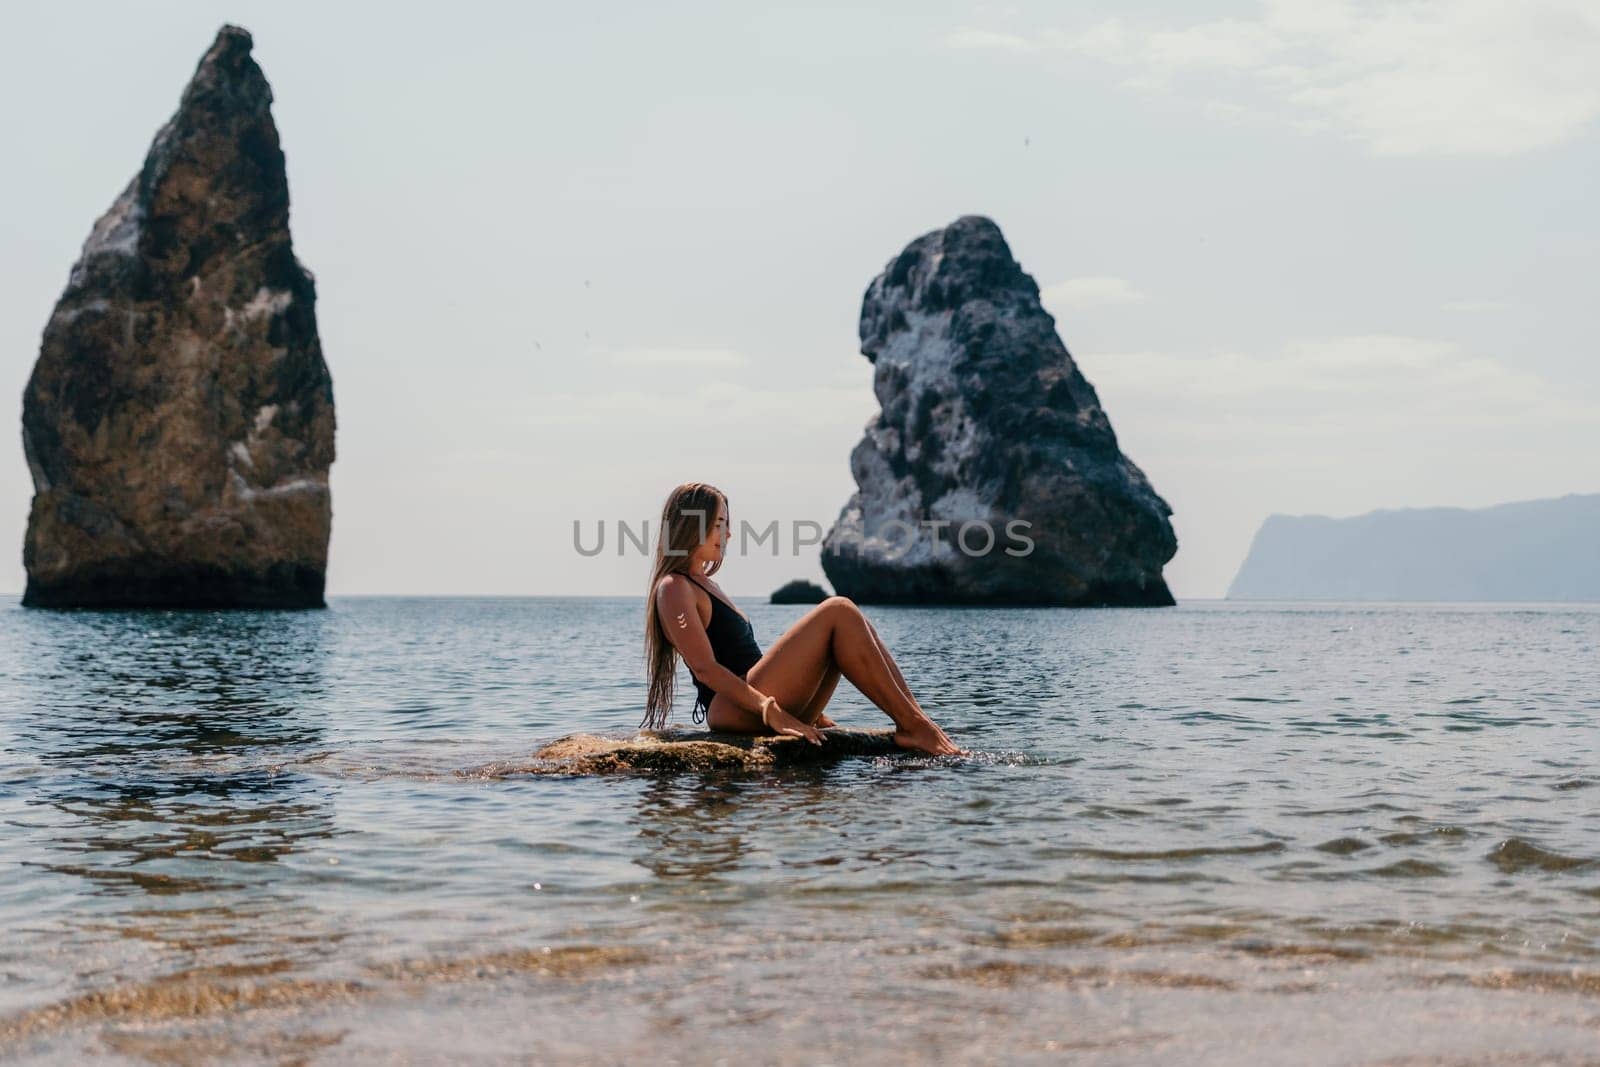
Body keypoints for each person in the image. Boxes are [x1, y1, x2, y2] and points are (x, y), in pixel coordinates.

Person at [642, 482, 962, 756]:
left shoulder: (706, 585)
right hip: (731, 711)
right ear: (690, 526)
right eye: (718, 523)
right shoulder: (674, 588)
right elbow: (705, 668)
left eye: (727, 523)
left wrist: (816, 713)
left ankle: (918, 722)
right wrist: (772, 711)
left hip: (752, 702)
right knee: (839, 610)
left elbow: (747, 660)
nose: (727, 533)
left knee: (851, 625)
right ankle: (915, 726)